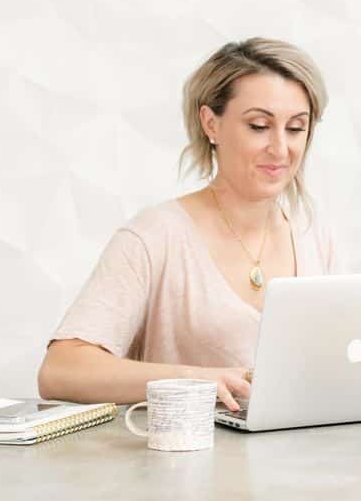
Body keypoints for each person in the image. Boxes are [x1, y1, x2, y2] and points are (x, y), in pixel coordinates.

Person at [38, 38, 340, 412]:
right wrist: (191, 379)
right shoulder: (154, 237)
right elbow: (60, 371)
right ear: (210, 123)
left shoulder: (313, 235)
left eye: (296, 128)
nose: (280, 149)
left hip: (295, 462)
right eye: (259, 126)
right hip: (182, 463)